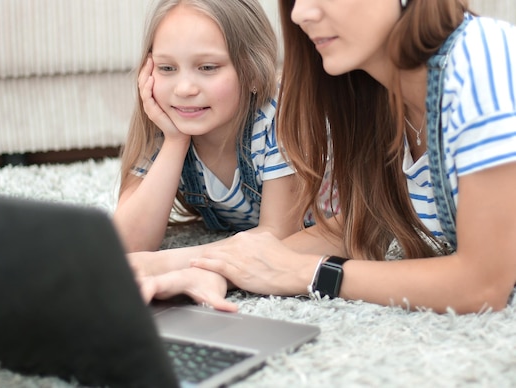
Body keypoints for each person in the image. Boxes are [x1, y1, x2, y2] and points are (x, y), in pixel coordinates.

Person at [145, 0, 516, 314]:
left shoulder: (484, 53)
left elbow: (484, 284)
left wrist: (313, 273)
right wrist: (193, 267)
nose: (300, 13)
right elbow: (361, 223)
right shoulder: (378, 95)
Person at [114, 1, 317, 256]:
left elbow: (278, 234)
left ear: (253, 71)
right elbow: (127, 243)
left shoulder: (281, 116)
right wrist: (175, 142)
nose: (183, 89)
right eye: (167, 68)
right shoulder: (164, 121)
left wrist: (172, 262)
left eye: (207, 67)